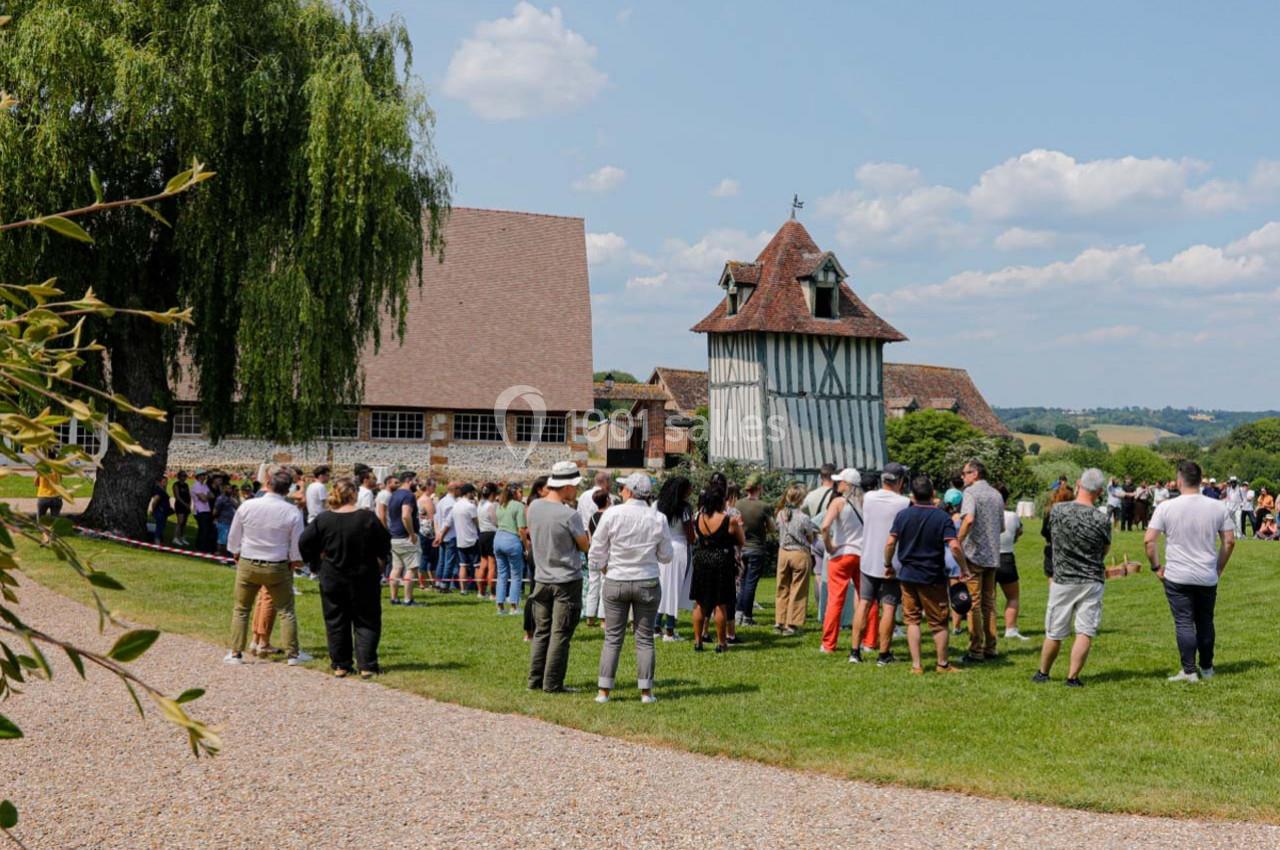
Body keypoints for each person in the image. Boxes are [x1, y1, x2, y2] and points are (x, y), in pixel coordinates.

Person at [1145, 461, 1236, 683]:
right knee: (1205, 621)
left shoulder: (1166, 507)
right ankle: (1207, 668)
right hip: (1207, 574)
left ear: (1179, 480)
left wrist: (1157, 567)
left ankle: (1188, 671)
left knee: (1184, 622)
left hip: (1177, 575)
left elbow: (1149, 541)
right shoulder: (1218, 506)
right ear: (1200, 480)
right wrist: (1219, 568)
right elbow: (1229, 542)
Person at [589, 473, 671, 704]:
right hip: (647, 580)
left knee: (612, 638)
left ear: (629, 491)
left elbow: (596, 550)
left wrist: (604, 569)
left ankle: (604, 691)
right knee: (644, 638)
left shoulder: (613, 514)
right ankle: (646, 692)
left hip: (617, 578)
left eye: (623, 487)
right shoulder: (658, 518)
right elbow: (666, 556)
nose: (621, 489)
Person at [299, 477, 390, 679]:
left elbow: (305, 543)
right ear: (353, 494)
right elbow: (384, 543)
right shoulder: (367, 518)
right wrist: (381, 561)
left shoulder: (323, 520)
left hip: (333, 575)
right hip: (364, 575)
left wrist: (315, 564)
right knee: (367, 620)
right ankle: (367, 664)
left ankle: (341, 664)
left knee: (336, 619)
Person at [1033, 469, 1110, 687]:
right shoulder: (1102, 518)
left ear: (1078, 484)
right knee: (1085, 630)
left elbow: (1049, 537)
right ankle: (1072, 677)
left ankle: (1043, 672)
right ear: (1100, 492)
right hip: (1091, 578)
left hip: (1063, 578)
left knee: (1055, 631)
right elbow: (1104, 548)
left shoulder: (1057, 511)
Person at [885, 474, 969, 675]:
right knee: (939, 622)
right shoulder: (942, 517)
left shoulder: (902, 515)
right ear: (933, 494)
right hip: (932, 576)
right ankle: (942, 664)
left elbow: (890, 543)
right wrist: (964, 568)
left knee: (912, 620)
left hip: (907, 575)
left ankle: (917, 665)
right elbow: (955, 546)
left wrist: (888, 564)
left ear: (912, 495)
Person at [225, 468, 310, 666]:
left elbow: (234, 535)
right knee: (286, 611)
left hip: (248, 561)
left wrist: (235, 551)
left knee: (241, 609)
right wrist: (295, 560)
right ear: (288, 489)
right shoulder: (292, 511)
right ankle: (293, 654)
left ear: (268, 484)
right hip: (278, 564)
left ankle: (236, 653)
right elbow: (297, 542)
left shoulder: (248, 506)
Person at [527, 462, 590, 693]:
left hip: (541, 578)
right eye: (574, 487)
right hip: (566, 580)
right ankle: (552, 683)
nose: (576, 491)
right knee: (560, 634)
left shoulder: (533, 507)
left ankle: (535, 680)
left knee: (542, 632)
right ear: (566, 487)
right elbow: (584, 546)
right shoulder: (569, 515)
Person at [850, 462, 910, 664]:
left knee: (864, 603)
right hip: (891, 563)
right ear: (900, 481)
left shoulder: (868, 497)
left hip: (867, 559)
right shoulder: (903, 503)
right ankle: (883, 654)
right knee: (889, 607)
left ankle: (855, 651)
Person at [957, 459, 1004, 664]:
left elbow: (968, 519)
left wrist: (957, 541)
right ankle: (991, 647)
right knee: (989, 603)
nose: (963, 477)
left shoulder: (971, 493)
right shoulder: (996, 494)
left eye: (965, 473)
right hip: (993, 554)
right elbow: (1001, 526)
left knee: (973, 604)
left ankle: (976, 649)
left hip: (974, 554)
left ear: (975, 474)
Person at [691, 476, 744, 653]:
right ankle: (722, 643)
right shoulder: (729, 519)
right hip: (722, 561)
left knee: (700, 603)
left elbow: (696, 537)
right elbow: (740, 540)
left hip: (702, 559)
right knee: (720, 604)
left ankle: (698, 641)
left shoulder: (698, 516)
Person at [819, 468, 864, 655]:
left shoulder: (838, 502)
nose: (838, 484)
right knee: (866, 599)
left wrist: (829, 547)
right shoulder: (864, 502)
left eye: (840, 482)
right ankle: (869, 641)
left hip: (841, 554)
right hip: (861, 554)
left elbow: (824, 527)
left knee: (835, 599)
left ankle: (829, 644)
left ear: (847, 484)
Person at [654, 476, 695, 641]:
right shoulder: (685, 508)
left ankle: (656, 626)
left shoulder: (657, 505)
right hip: (679, 549)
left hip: (661, 547)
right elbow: (690, 534)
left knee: (663, 588)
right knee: (674, 589)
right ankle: (669, 630)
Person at [773, 483, 815, 636]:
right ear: (801, 500)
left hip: (783, 553)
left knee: (782, 587)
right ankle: (792, 623)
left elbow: (777, 529)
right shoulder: (804, 518)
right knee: (798, 589)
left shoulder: (780, 515)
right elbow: (810, 538)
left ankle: (779, 621)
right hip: (799, 553)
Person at [802, 463, 838, 618]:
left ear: (820, 476)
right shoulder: (838, 496)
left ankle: (820, 609)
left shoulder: (811, 495)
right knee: (835, 577)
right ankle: (835, 609)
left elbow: (804, 516)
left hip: (816, 539)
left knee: (818, 575)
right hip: (833, 539)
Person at [997, 484, 1028, 642]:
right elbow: (1019, 531)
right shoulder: (1012, 516)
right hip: (1006, 557)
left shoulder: (984, 514)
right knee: (1013, 596)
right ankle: (1010, 628)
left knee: (987, 599)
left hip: (987, 558)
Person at [385, 471, 421, 606]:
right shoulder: (408, 495)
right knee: (411, 569)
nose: (417, 484)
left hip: (394, 537)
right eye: (416, 481)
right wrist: (411, 534)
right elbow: (406, 515)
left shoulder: (394, 495)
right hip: (406, 537)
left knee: (396, 568)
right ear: (410, 481)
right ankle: (408, 599)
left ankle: (394, 598)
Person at [494, 482, 528, 615]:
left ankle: (500, 606)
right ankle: (514, 606)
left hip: (498, 539)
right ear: (515, 493)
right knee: (516, 575)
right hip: (511, 540)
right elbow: (521, 529)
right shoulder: (518, 506)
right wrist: (526, 547)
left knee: (501, 574)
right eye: (520, 492)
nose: (522, 495)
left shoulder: (501, 505)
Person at [583, 489, 612, 626]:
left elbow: (589, 537)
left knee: (593, 585)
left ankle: (589, 616)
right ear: (607, 500)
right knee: (604, 586)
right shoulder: (610, 516)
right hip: (605, 554)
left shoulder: (592, 517)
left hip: (592, 553)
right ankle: (603, 618)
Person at [451, 483, 480, 595]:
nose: (474, 495)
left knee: (463, 565)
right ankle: (479, 590)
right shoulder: (470, 506)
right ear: (468, 493)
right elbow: (477, 523)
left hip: (460, 538)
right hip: (472, 538)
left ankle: (463, 589)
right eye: (472, 492)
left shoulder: (456, 505)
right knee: (477, 565)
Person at [432, 481, 461, 593]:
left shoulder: (442, 501)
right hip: (449, 535)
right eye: (459, 488)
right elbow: (448, 522)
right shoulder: (451, 503)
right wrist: (441, 535)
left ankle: (438, 583)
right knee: (448, 561)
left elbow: (436, 519)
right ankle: (444, 585)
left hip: (442, 535)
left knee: (442, 561)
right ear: (454, 489)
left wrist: (438, 534)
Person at [476, 482, 499, 599]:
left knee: (483, 563)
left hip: (482, 534)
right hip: (491, 534)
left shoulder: (480, 503)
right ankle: (493, 593)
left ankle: (480, 592)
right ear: (493, 494)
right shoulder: (492, 505)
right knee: (492, 565)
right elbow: (496, 521)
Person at [416, 479, 437, 590]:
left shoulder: (420, 499)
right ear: (428, 487)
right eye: (434, 486)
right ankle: (424, 583)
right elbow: (432, 518)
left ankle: (426, 582)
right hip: (428, 532)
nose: (435, 488)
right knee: (427, 558)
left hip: (423, 530)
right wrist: (437, 533)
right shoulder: (427, 500)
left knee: (426, 557)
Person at [213, 483, 240, 556]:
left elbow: (238, 507)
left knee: (227, 540)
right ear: (224, 489)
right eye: (228, 488)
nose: (230, 490)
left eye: (230, 488)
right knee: (222, 540)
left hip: (231, 522)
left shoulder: (231, 498)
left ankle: (225, 555)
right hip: (223, 522)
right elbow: (215, 510)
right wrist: (215, 519)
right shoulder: (221, 498)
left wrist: (236, 498)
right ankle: (220, 555)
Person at [191, 469, 214, 552]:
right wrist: (205, 496)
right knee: (204, 530)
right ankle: (201, 548)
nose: (205, 477)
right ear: (199, 476)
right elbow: (204, 498)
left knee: (204, 530)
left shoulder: (204, 486)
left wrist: (205, 496)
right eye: (203, 475)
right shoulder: (196, 486)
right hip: (199, 511)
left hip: (205, 510)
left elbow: (212, 495)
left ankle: (199, 546)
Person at [148, 472, 173, 544]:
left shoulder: (162, 490)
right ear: (160, 482)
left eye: (166, 482)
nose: (166, 483)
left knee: (161, 526)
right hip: (160, 511)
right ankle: (157, 541)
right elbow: (155, 501)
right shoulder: (159, 490)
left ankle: (159, 540)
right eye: (164, 482)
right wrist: (153, 509)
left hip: (163, 511)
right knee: (159, 527)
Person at [171, 470, 192, 546]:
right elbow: (177, 497)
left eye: (185, 476)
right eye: (183, 476)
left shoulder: (186, 485)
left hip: (186, 505)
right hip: (180, 505)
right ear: (179, 477)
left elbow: (188, 495)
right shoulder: (176, 485)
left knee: (184, 522)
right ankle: (175, 537)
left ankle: (182, 537)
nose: (184, 477)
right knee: (180, 521)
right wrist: (185, 504)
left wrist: (189, 504)